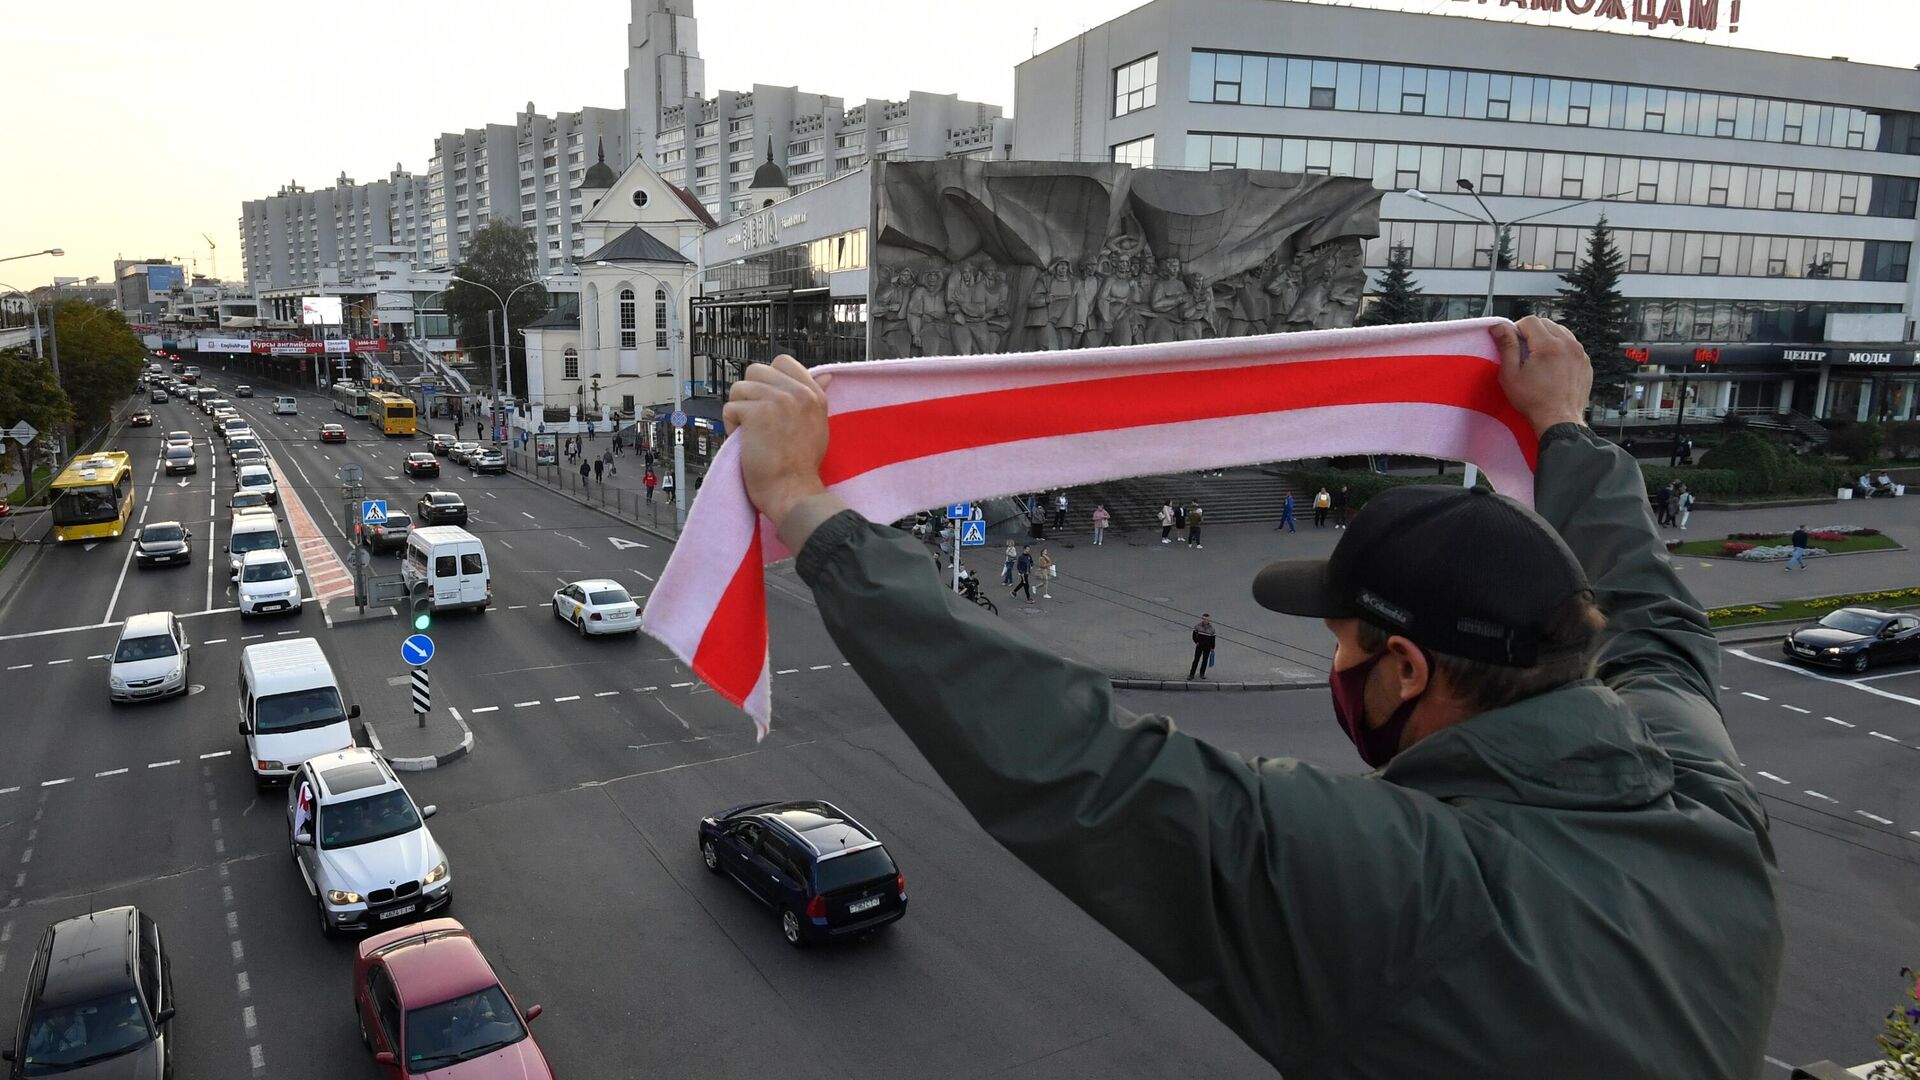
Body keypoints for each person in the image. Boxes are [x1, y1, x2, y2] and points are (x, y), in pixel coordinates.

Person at [717, 321, 1782, 1078]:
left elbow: (1081, 763)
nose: (1336, 670)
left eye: (1344, 644)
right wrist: (1563, 424)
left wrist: (810, 509)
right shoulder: (1701, 785)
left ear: (1406, 671)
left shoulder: (1409, 889)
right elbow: (1655, 614)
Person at [1188, 614, 1216, 680]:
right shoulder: (1198, 626)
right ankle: (1191, 675)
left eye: (1207, 619)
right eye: (1204, 619)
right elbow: (1194, 635)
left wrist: (1212, 648)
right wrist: (1196, 642)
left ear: (1209, 620)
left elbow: (1213, 639)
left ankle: (1202, 674)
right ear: (1202, 619)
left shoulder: (1212, 629)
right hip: (1199, 646)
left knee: (1205, 660)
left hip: (1207, 647)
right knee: (1196, 660)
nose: (1206, 621)